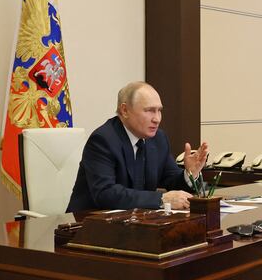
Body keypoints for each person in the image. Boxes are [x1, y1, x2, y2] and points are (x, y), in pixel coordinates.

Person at [66, 81, 209, 211]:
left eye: (159, 110)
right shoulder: (103, 140)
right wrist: (161, 199)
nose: (157, 119)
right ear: (124, 110)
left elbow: (171, 181)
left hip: (137, 223)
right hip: (88, 226)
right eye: (149, 110)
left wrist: (190, 174)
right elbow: (106, 194)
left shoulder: (158, 139)